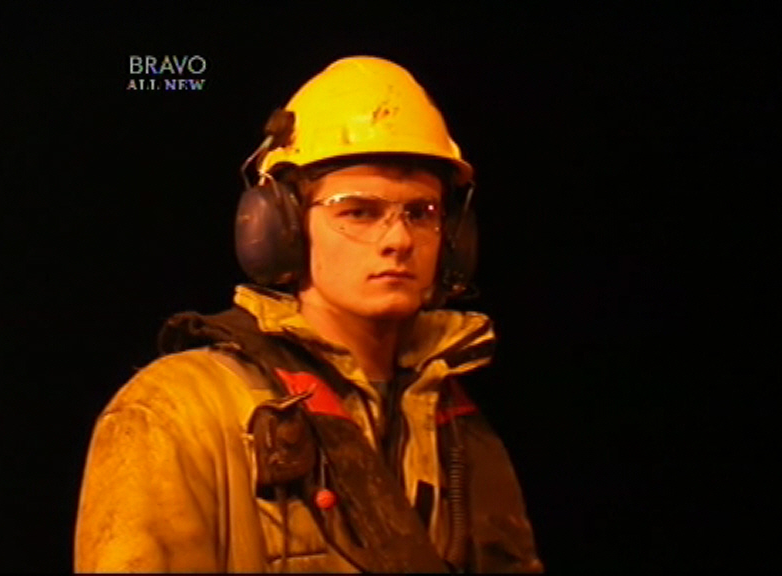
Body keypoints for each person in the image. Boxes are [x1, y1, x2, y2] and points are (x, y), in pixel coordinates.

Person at [74, 55, 544, 573]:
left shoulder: (455, 425)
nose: (399, 239)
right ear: (282, 229)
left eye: (421, 212)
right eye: (358, 212)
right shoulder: (176, 412)